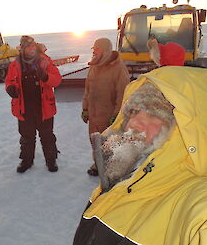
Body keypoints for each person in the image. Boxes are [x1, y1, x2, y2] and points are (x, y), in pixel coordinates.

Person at [73, 65, 207, 245]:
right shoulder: (124, 172)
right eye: (134, 112)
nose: (134, 123)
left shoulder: (191, 196)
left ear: (184, 132)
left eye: (154, 115)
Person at [5, 36, 62, 173]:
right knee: (26, 137)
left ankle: (51, 160)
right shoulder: (15, 64)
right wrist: (10, 88)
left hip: (44, 108)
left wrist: (46, 77)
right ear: (23, 48)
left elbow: (57, 80)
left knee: (47, 136)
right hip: (24, 108)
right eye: (28, 47)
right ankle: (26, 161)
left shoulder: (45, 61)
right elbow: (9, 80)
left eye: (32, 47)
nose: (31, 49)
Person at [81, 38, 130, 176]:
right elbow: (87, 90)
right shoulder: (94, 66)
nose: (94, 52)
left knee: (111, 144)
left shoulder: (118, 68)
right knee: (95, 142)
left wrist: (117, 115)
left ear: (106, 50)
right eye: (93, 49)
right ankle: (98, 165)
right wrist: (85, 109)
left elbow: (123, 94)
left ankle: (112, 169)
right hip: (94, 114)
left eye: (97, 49)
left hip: (109, 116)